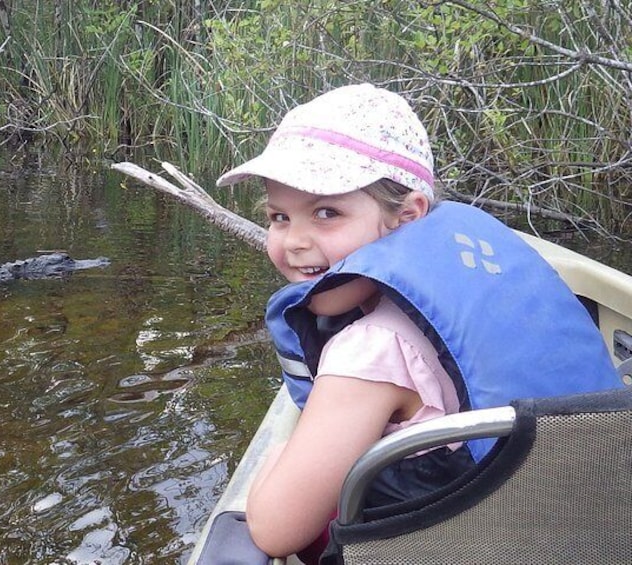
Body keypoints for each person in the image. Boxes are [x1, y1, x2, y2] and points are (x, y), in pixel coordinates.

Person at [215, 83, 622, 562]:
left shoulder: (370, 349)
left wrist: (277, 455)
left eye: (327, 213)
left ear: (408, 214)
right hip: (584, 530)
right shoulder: (489, 282)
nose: (294, 241)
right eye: (279, 216)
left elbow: (275, 530)